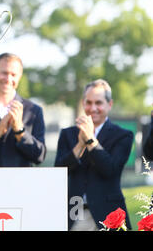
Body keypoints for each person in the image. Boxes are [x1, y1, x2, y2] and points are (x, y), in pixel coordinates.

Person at [55, 79, 133, 230]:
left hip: (108, 213)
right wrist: (80, 145)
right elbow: (59, 171)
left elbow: (110, 169)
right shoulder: (68, 134)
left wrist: (90, 140)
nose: (93, 108)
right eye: (89, 102)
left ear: (109, 104)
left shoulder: (123, 135)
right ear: (83, 103)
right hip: (74, 213)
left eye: (98, 103)